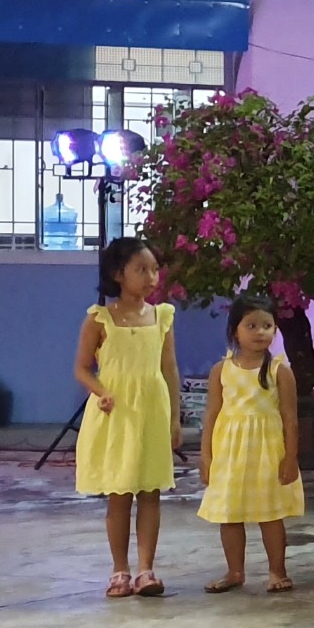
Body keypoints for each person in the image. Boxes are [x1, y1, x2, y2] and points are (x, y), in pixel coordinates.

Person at [73, 236, 181, 600]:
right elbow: (81, 368)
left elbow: (169, 369)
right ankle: (120, 569)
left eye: (154, 269)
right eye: (141, 270)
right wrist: (101, 391)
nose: (151, 277)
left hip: (151, 410)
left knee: (150, 491)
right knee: (119, 493)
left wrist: (175, 418)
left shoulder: (162, 316)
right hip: (117, 412)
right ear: (119, 274)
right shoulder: (99, 318)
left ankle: (146, 569)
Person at [198, 295, 303, 595]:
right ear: (235, 330)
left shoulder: (279, 370)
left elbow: (290, 418)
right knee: (229, 514)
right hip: (230, 453)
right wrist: (206, 456)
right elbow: (212, 414)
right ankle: (235, 571)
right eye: (251, 325)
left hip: (267, 452)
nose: (260, 332)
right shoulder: (221, 370)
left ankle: (277, 570)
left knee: (270, 514)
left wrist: (291, 457)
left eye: (267, 326)